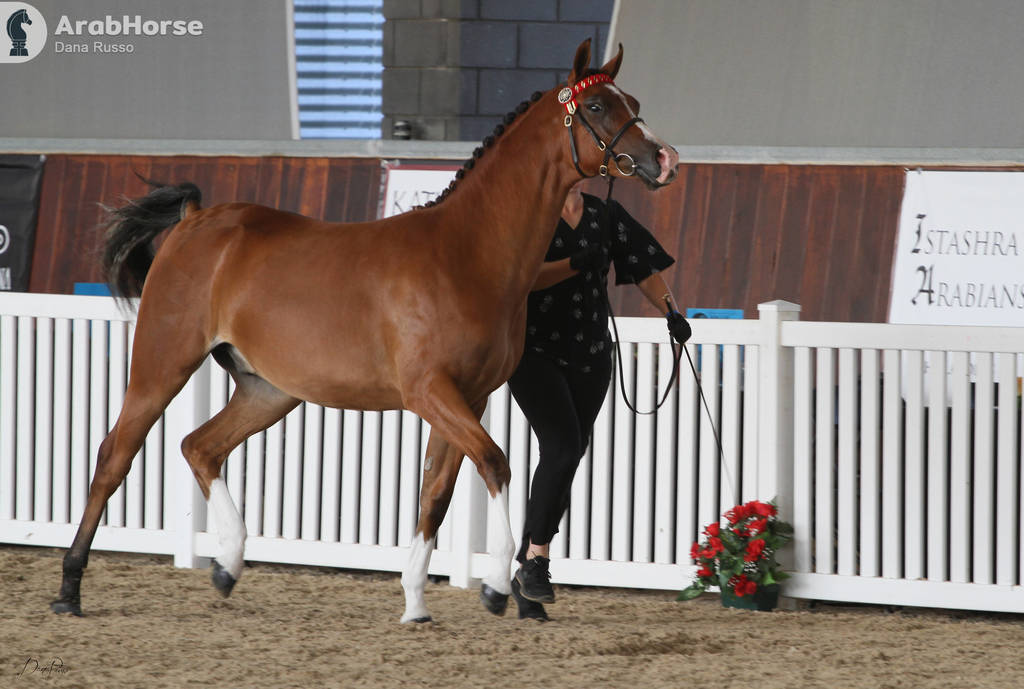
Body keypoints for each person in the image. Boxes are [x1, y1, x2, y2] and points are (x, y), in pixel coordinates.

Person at [508, 181, 691, 620]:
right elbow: (521, 278)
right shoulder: (529, 213)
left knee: (567, 457)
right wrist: (573, 263)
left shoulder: (606, 215)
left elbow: (643, 267)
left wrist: (671, 312)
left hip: (591, 354)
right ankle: (537, 560)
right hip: (533, 350)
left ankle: (526, 569)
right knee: (562, 448)